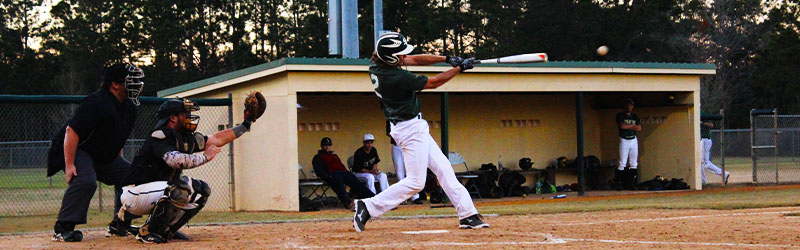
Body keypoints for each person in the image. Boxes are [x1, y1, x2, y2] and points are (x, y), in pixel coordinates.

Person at [353, 32, 488, 232]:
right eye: (399, 55)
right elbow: (433, 83)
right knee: (416, 183)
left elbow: (414, 59)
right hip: (409, 129)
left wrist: (448, 59)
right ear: (390, 58)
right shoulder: (397, 77)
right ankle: (369, 206)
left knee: (444, 169)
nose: (403, 58)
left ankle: (468, 215)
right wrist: (459, 68)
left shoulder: (377, 66)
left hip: (411, 126)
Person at [118, 97, 260, 244]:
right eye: (184, 113)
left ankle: (166, 229)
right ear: (172, 118)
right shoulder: (160, 135)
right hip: (134, 193)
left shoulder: (184, 138)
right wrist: (205, 157)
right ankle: (147, 231)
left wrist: (246, 124)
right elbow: (175, 160)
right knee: (182, 186)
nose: (189, 117)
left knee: (201, 190)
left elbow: (217, 139)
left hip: (155, 192)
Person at [46, 63, 145, 242]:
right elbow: (71, 131)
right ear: (115, 84)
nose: (137, 84)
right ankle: (63, 227)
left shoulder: (129, 106)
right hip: (76, 147)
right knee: (86, 180)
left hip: (100, 154)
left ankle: (120, 223)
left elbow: (116, 136)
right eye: (131, 80)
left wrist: (118, 165)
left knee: (131, 176)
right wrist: (69, 166)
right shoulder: (97, 102)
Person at [313, 137, 375, 209]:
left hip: (342, 172)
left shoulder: (334, 155)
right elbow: (319, 170)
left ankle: (373, 198)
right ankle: (348, 203)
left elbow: (341, 165)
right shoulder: (318, 157)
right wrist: (327, 176)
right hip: (332, 175)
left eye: (329, 145)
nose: (327, 147)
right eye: (325, 145)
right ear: (321, 146)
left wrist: (346, 172)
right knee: (338, 183)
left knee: (355, 182)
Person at [386, 122, 423, 204]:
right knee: (399, 172)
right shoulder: (391, 118)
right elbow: (388, 133)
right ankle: (403, 197)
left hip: (407, 145)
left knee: (411, 170)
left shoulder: (406, 116)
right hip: (396, 145)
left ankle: (415, 196)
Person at [615, 98, 641, 190]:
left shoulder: (635, 116)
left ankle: (632, 184)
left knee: (633, 163)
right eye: (627, 105)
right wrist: (632, 126)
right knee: (622, 162)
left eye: (630, 105)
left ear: (632, 107)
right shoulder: (620, 115)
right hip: (624, 139)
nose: (629, 107)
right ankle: (619, 183)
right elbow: (622, 126)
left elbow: (639, 128)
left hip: (633, 140)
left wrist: (630, 127)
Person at [700, 111, 730, 185]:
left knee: (705, 162)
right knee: (700, 162)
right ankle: (703, 181)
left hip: (705, 140)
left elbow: (711, 125)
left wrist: (702, 123)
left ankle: (724, 174)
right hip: (700, 140)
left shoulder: (702, 113)